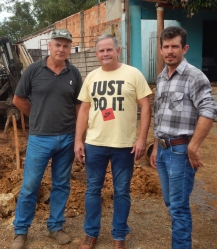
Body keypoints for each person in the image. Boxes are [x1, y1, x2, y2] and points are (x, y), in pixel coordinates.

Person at [74, 34, 152, 249]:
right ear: (96, 54)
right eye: (101, 50)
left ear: (118, 51)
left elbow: (145, 106)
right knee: (92, 189)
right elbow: (83, 110)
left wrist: (141, 139)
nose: (105, 54)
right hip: (95, 143)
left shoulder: (133, 74)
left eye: (109, 49)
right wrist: (78, 140)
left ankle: (119, 235)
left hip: (125, 145)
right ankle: (91, 233)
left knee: (122, 191)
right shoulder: (91, 77)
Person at [10, 28, 82, 249]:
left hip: (67, 138)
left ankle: (56, 227)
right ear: (49, 46)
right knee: (30, 185)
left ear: (70, 49)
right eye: (57, 44)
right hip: (40, 139)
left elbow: (80, 106)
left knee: (61, 184)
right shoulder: (33, 70)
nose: (61, 49)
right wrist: (38, 115)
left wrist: (80, 136)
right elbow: (18, 99)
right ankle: (21, 231)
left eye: (66, 45)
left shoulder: (74, 74)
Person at [150, 26, 217, 249]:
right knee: (171, 202)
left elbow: (209, 111)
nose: (170, 51)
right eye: (166, 47)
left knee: (178, 207)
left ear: (184, 48)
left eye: (175, 47)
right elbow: (159, 114)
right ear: (160, 49)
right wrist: (156, 147)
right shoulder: (161, 78)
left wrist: (194, 146)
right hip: (163, 150)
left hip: (180, 151)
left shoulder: (195, 77)